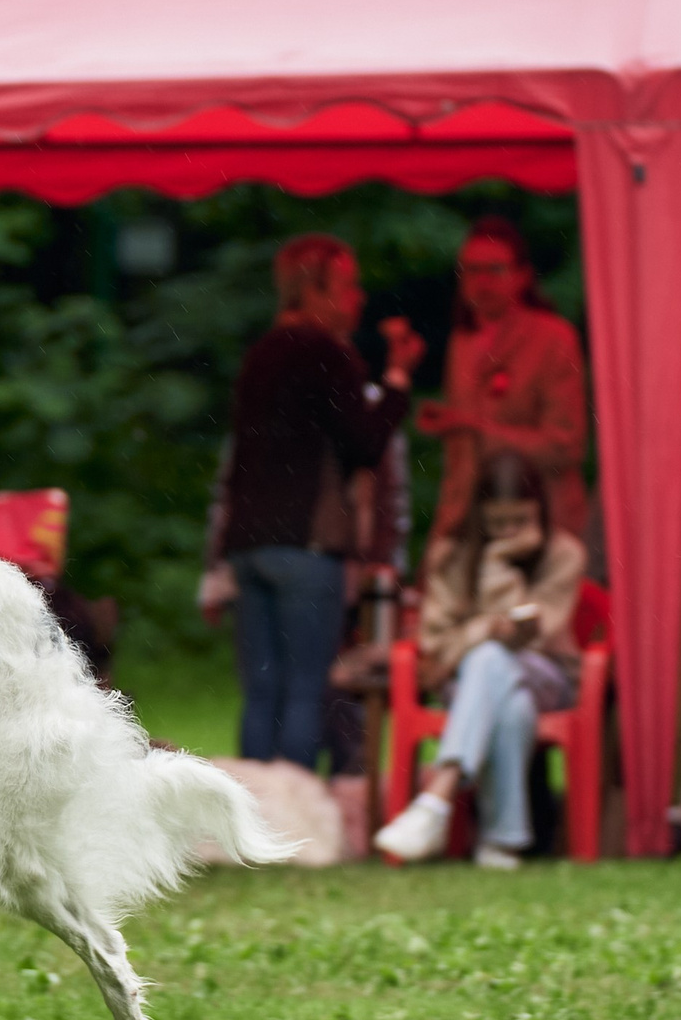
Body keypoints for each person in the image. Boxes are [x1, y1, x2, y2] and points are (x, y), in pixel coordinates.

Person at [200, 233, 417, 767]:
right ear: (315, 290)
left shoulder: (261, 354)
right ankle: (296, 824)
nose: (358, 298)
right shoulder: (326, 351)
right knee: (304, 687)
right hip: (306, 544)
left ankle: (256, 818)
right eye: (348, 286)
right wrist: (397, 379)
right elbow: (364, 443)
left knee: (262, 692)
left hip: (250, 545)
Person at [373, 453, 588, 868]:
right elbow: (437, 644)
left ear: (539, 511)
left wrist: (496, 564)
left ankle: (437, 799)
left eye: (519, 522)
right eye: (497, 524)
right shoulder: (450, 555)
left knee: (493, 660)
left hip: (545, 674)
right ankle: (502, 842)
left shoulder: (564, 553)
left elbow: (536, 634)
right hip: (468, 678)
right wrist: (489, 627)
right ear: (478, 516)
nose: (508, 532)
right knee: (507, 696)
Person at [421, 217, 592, 539]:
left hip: (542, 528)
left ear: (523, 276)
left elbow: (565, 447)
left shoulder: (553, 338)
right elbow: (458, 468)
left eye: (494, 270)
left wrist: (476, 429)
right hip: (472, 530)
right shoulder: (462, 341)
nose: (482, 282)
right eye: (471, 270)